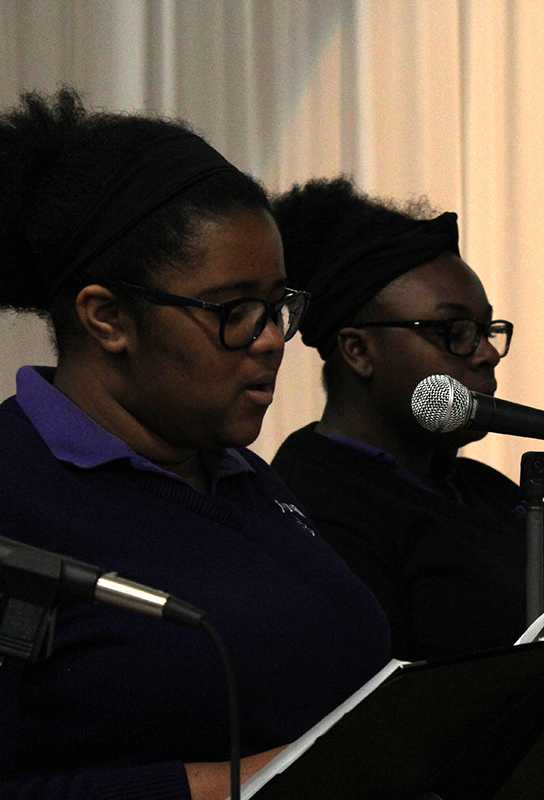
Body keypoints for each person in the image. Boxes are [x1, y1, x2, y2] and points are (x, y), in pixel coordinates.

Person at [0, 89, 391, 799]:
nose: (271, 338)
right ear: (108, 318)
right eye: (234, 310)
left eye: (277, 306)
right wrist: (232, 785)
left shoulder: (243, 477)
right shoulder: (16, 490)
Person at [269, 177, 544, 798]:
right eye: (453, 331)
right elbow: (385, 734)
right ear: (357, 350)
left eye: (487, 329)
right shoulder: (313, 500)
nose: (485, 353)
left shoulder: (490, 489)